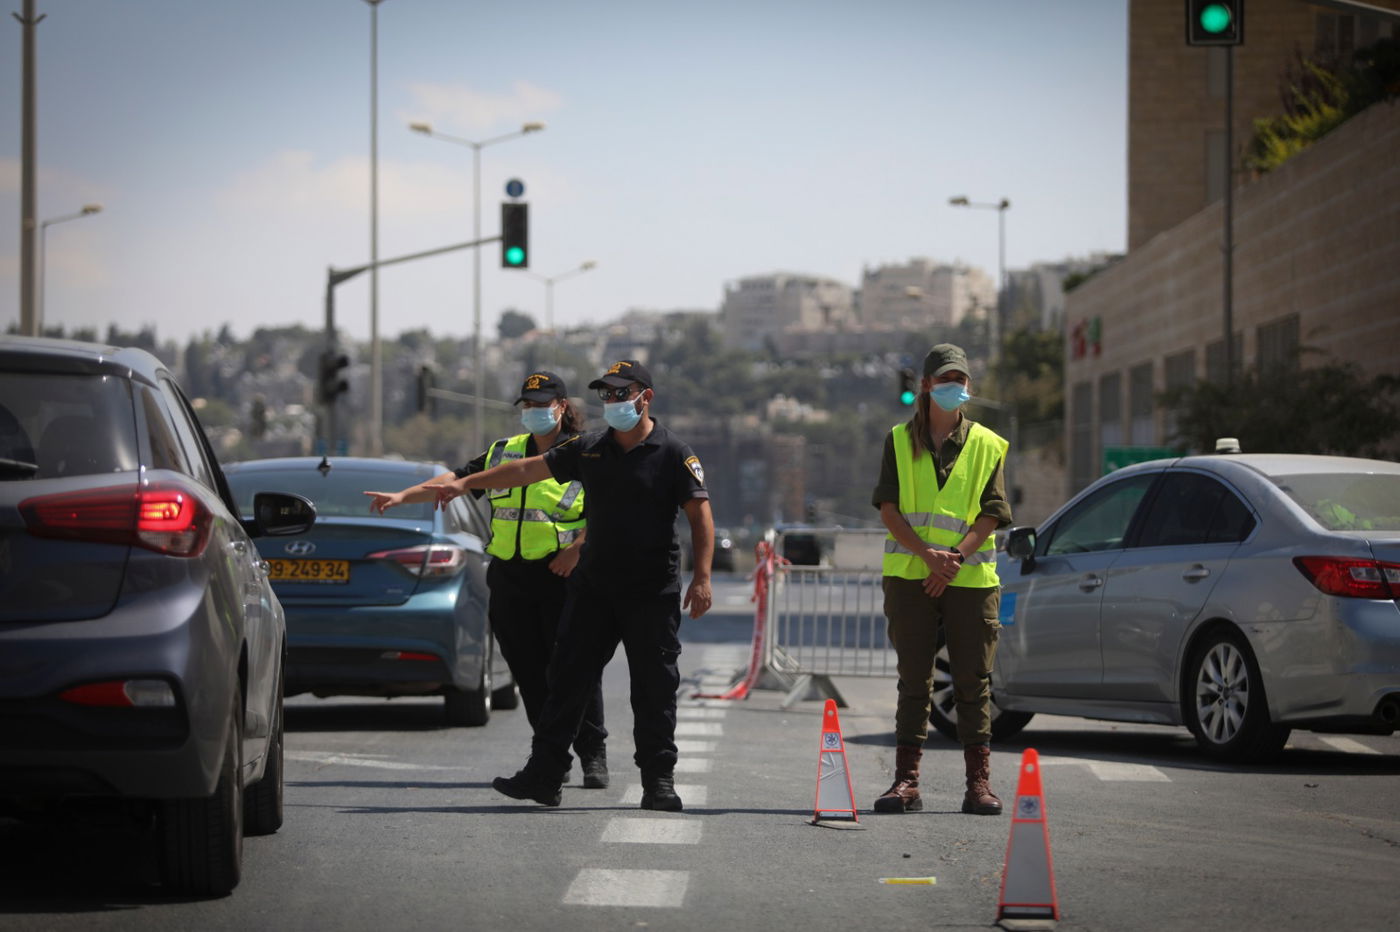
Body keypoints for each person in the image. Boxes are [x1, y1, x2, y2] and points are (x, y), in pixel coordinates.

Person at [425, 359, 713, 812]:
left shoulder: (674, 452)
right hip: (594, 590)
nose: (614, 402)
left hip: (649, 593)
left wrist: (703, 578)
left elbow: (700, 516)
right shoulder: (590, 447)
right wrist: (465, 483)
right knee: (566, 682)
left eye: (623, 393)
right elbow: (526, 470)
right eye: (608, 394)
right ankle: (545, 776)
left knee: (653, 690)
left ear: (646, 397)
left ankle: (658, 782)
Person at [364, 371, 609, 788]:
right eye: (527, 405)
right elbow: (455, 482)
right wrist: (405, 496)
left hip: (563, 573)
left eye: (541, 404)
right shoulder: (503, 452)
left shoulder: (584, 454)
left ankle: (592, 751)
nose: (533, 412)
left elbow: (608, 510)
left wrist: (578, 548)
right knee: (528, 670)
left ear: (562, 407)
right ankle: (550, 753)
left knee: (572, 667)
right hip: (511, 575)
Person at [871, 343, 1012, 816]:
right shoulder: (897, 440)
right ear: (927, 385)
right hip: (912, 578)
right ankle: (906, 782)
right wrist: (928, 557)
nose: (956, 387)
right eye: (947, 379)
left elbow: (993, 513)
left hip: (969, 580)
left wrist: (951, 558)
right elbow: (889, 510)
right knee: (915, 680)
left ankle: (979, 786)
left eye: (962, 381)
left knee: (974, 681)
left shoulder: (988, 444)